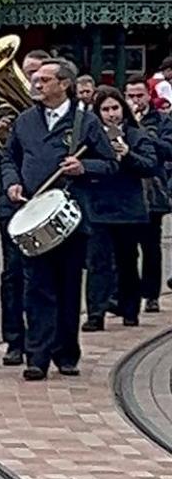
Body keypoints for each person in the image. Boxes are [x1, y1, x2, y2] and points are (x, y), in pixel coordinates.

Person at [4, 57, 114, 381]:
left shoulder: (86, 122)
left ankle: (66, 353)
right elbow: (10, 157)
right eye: (36, 80)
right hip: (32, 213)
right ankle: (36, 356)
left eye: (44, 80)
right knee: (36, 287)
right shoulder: (24, 121)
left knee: (67, 286)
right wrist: (12, 182)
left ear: (64, 84)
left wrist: (84, 168)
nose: (36, 85)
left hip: (72, 217)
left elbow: (109, 163)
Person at [83, 87, 158, 331]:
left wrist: (127, 155)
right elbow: (81, 164)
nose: (111, 114)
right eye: (105, 109)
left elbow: (149, 165)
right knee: (98, 263)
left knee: (127, 262)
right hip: (99, 208)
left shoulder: (137, 134)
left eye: (115, 108)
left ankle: (130, 309)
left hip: (128, 209)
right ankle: (95, 313)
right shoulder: (91, 137)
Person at [0, 48, 48, 367]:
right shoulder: (15, 118)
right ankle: (15, 340)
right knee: (12, 274)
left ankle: (44, 339)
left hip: (47, 204)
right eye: (28, 74)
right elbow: (4, 158)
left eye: (39, 74)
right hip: (13, 205)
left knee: (44, 276)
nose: (32, 80)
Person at [124, 74, 172, 313]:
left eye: (139, 95)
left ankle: (152, 295)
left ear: (148, 96)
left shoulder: (162, 120)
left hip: (153, 191)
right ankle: (128, 296)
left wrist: (147, 138)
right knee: (127, 249)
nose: (135, 100)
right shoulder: (119, 120)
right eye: (130, 96)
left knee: (151, 247)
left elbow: (169, 150)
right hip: (126, 193)